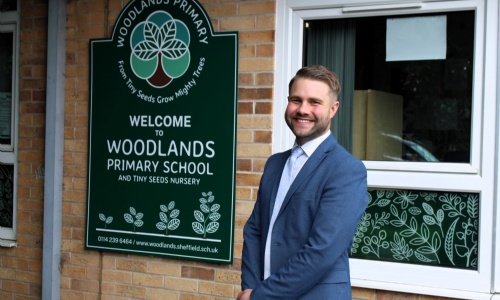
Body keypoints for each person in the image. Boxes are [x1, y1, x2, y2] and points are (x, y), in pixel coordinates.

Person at [238, 65, 368, 299]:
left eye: (314, 102)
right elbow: (254, 231)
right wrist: (249, 287)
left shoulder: (346, 169)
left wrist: (260, 296)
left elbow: (321, 252)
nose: (303, 109)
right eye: (296, 100)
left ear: (333, 109)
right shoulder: (275, 164)